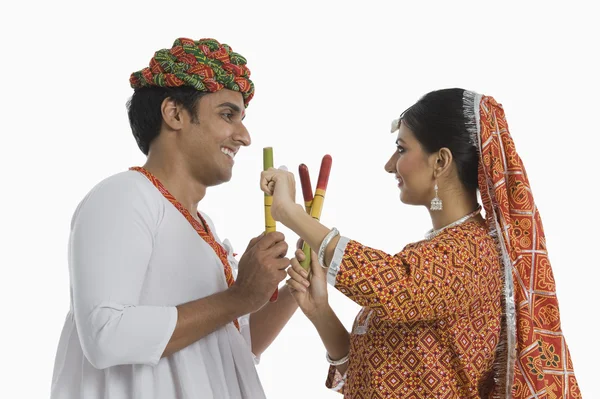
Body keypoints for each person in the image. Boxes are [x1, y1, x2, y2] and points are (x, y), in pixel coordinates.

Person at [261, 88, 581, 398]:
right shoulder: (438, 254)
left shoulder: (472, 253)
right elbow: (377, 380)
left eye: (401, 149)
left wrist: (291, 214)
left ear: (440, 162)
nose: (390, 165)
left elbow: (393, 286)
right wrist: (321, 312)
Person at [50, 37, 298, 399]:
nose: (244, 136)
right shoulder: (124, 196)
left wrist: (296, 286)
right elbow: (105, 335)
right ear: (175, 113)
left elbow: (231, 348)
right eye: (228, 114)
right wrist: (240, 296)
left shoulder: (203, 226)